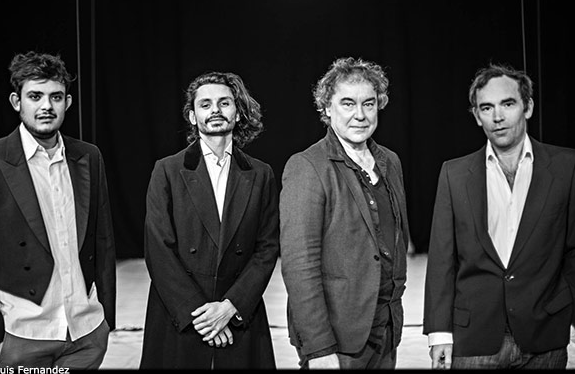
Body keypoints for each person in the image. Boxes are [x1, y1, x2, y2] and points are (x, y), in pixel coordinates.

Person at [0, 51, 116, 369]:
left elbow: (103, 241)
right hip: (21, 333)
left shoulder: (88, 156)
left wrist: (105, 319)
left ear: (67, 102)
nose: (46, 106)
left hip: (86, 332)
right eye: (35, 96)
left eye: (56, 97)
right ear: (17, 101)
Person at [423, 63, 575, 369]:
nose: (497, 117)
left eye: (507, 104)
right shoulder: (454, 174)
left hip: (544, 333)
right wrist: (439, 333)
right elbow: (442, 259)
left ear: (527, 107)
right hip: (474, 339)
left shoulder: (566, 166)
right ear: (476, 116)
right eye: (486, 107)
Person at [139, 71, 279, 369]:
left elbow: (267, 248)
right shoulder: (167, 170)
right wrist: (202, 317)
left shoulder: (261, 174)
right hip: (181, 315)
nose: (215, 110)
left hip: (239, 314)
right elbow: (158, 248)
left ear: (237, 113)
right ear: (193, 116)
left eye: (224, 103)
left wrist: (229, 308)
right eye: (205, 104)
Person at [280, 57, 410, 369]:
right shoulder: (307, 166)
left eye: (369, 104)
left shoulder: (390, 162)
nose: (360, 115)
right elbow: (299, 266)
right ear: (327, 108)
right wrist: (319, 348)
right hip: (337, 340)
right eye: (348, 103)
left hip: (386, 330)